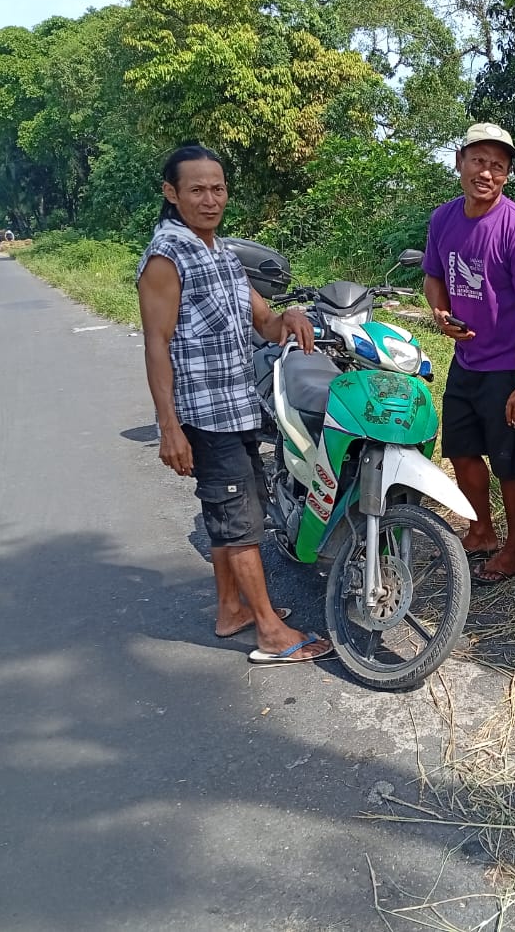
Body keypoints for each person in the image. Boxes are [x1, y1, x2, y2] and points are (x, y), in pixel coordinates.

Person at [136, 143, 334, 665]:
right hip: (204, 412)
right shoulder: (166, 256)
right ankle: (269, 632)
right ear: (171, 193)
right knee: (238, 520)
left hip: (240, 404)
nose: (209, 199)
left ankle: (232, 608)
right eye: (196, 189)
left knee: (236, 512)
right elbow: (156, 342)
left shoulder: (221, 252)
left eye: (217, 188)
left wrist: (287, 319)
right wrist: (168, 427)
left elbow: (262, 320)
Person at [422, 123, 515, 586]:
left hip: (507, 365)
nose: (487, 172)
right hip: (467, 359)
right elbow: (434, 275)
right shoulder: (443, 219)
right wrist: (439, 314)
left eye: (498, 165)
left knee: (509, 464)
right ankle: (481, 528)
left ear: (507, 176)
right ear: (459, 162)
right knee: (460, 451)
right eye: (479, 160)